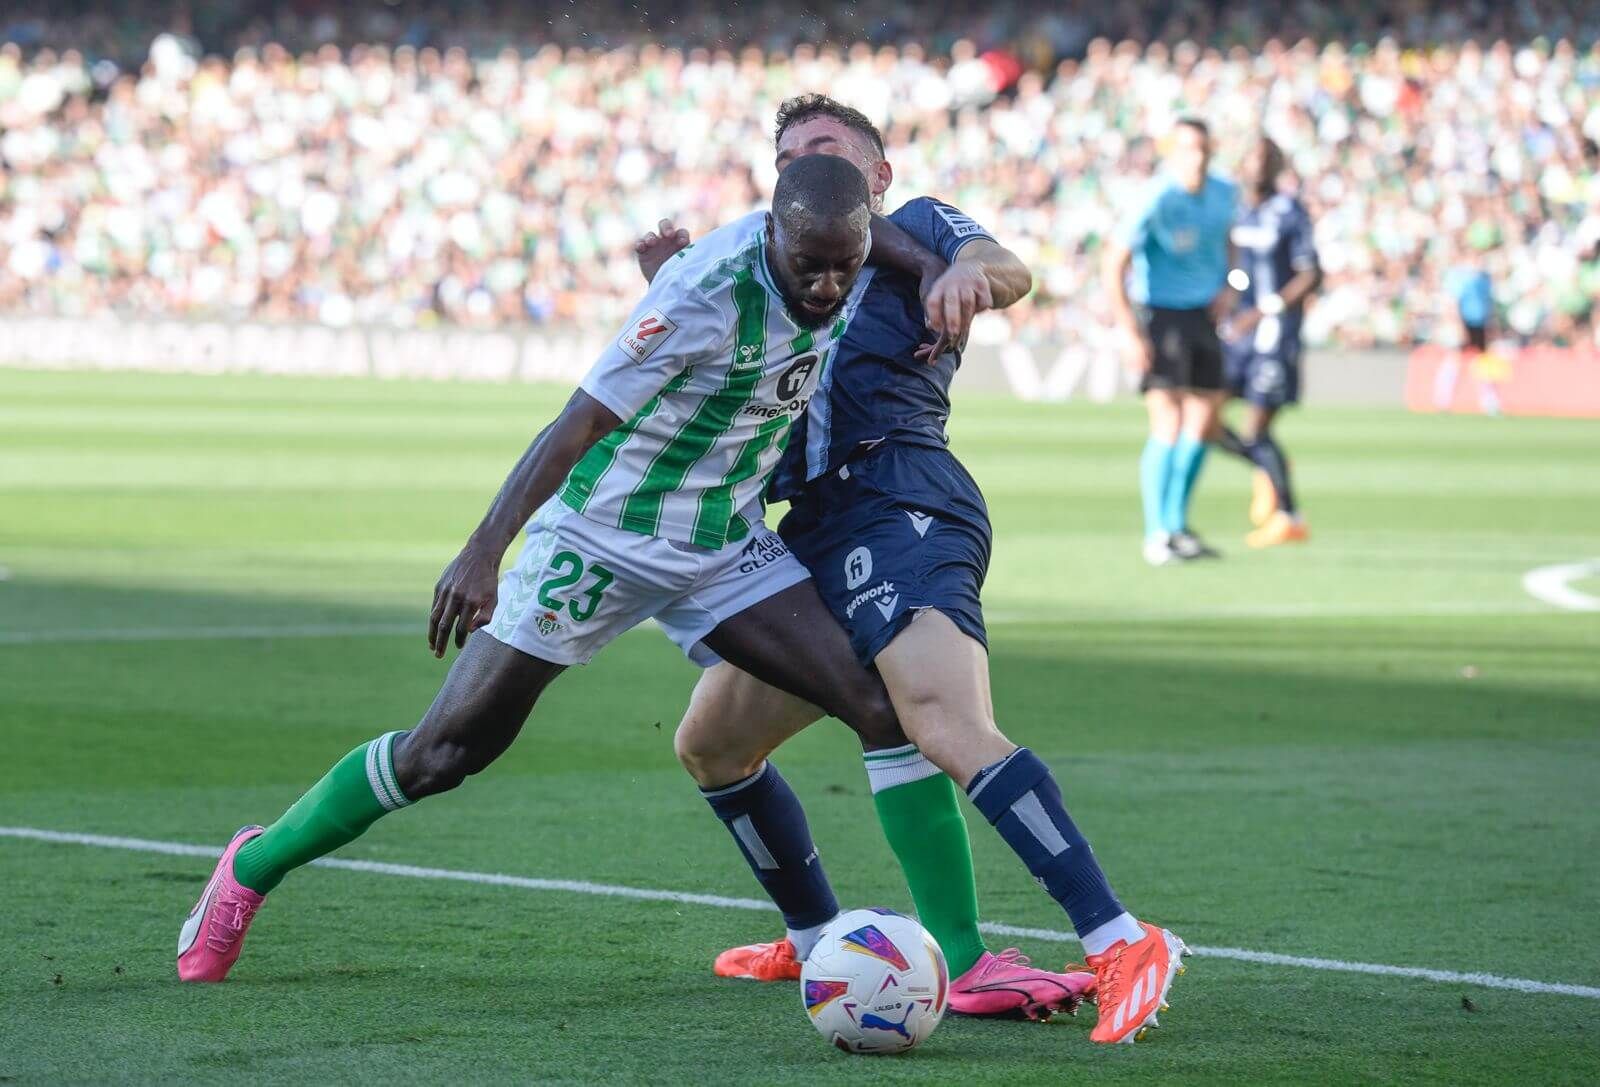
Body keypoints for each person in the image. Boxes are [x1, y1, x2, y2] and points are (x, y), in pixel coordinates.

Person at [176, 155, 920, 986]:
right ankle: (252, 865)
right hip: (602, 537)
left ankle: (836, 940)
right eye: (806, 263)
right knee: (444, 755)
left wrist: (940, 266)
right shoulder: (701, 292)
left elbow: (885, 246)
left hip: (720, 540)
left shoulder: (849, 253)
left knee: (875, 707)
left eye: (842, 264)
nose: (825, 285)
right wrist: (483, 548)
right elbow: (574, 423)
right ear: (769, 228)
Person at [637, 95, 1185, 1044]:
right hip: (803, 525)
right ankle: (814, 937)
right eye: (792, 154)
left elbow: (1003, 266)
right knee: (713, 742)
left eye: (831, 149)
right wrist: (664, 289)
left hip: (898, 494)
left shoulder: (923, 225)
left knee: (941, 716)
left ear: (877, 176)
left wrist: (965, 277)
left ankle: (1121, 937)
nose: (809, 161)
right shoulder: (764, 269)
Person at [1103, 117, 1238, 566]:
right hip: (1161, 315)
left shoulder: (1224, 193)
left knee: (1203, 422)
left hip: (1203, 316)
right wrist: (1128, 330)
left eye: (1201, 148)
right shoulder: (1154, 196)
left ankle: (1177, 526)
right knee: (1168, 422)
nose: (1194, 158)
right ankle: (1156, 533)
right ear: (1172, 152)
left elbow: (1232, 245)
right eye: (1185, 149)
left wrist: (1232, 285)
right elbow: (1113, 263)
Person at [1212, 136, 1322, 548]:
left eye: (1266, 158)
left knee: (1256, 428)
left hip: (1273, 335)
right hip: (1235, 334)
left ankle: (1290, 516)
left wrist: (1265, 310)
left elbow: (1312, 273)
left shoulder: (1289, 211)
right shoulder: (1235, 211)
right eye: (1253, 157)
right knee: (1206, 422)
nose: (1258, 165)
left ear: (1277, 166)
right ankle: (1267, 467)